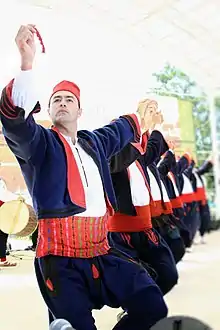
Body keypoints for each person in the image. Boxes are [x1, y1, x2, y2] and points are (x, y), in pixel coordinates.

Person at [0, 24, 167, 330]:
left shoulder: (93, 143)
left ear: (79, 110)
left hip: (102, 251)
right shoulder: (41, 144)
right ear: (49, 110)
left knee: (152, 304)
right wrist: (26, 66)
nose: (62, 103)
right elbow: (17, 126)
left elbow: (119, 131)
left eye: (69, 100)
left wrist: (141, 118)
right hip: (59, 260)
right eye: (56, 100)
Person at [108, 102, 178, 296]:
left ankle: (140, 306)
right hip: (121, 234)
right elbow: (120, 158)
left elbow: (151, 149)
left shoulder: (139, 157)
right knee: (138, 280)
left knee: (168, 274)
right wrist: (142, 122)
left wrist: (153, 127)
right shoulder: (111, 155)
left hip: (145, 229)